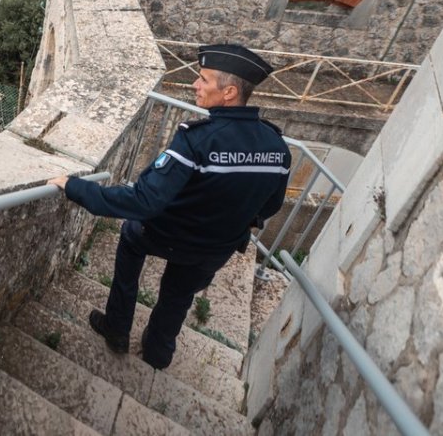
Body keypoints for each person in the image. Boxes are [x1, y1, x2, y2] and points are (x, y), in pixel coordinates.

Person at [48, 43, 291, 370]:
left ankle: (118, 327)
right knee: (178, 295)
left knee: (131, 239)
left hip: (166, 235)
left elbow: (144, 201)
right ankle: (158, 352)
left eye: (204, 80)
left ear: (229, 92)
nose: (195, 85)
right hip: (215, 248)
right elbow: (270, 206)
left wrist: (75, 187)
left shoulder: (196, 139)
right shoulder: (277, 148)